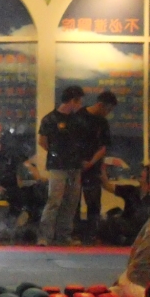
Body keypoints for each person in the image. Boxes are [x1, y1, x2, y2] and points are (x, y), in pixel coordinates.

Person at [37, 86, 86, 246]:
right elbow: (42, 141)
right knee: (54, 201)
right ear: (72, 101)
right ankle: (45, 236)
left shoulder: (77, 121)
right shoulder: (50, 119)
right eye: (79, 101)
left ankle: (64, 235)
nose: (80, 105)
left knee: (71, 202)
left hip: (75, 166)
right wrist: (58, 154)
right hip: (57, 166)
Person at [73, 90, 117, 244]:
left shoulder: (102, 123)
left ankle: (92, 234)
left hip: (93, 167)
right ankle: (75, 233)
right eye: (108, 109)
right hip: (75, 166)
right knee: (74, 202)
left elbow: (103, 147)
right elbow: (71, 143)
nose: (108, 113)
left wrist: (91, 162)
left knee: (93, 202)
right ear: (100, 105)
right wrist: (79, 161)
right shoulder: (78, 117)